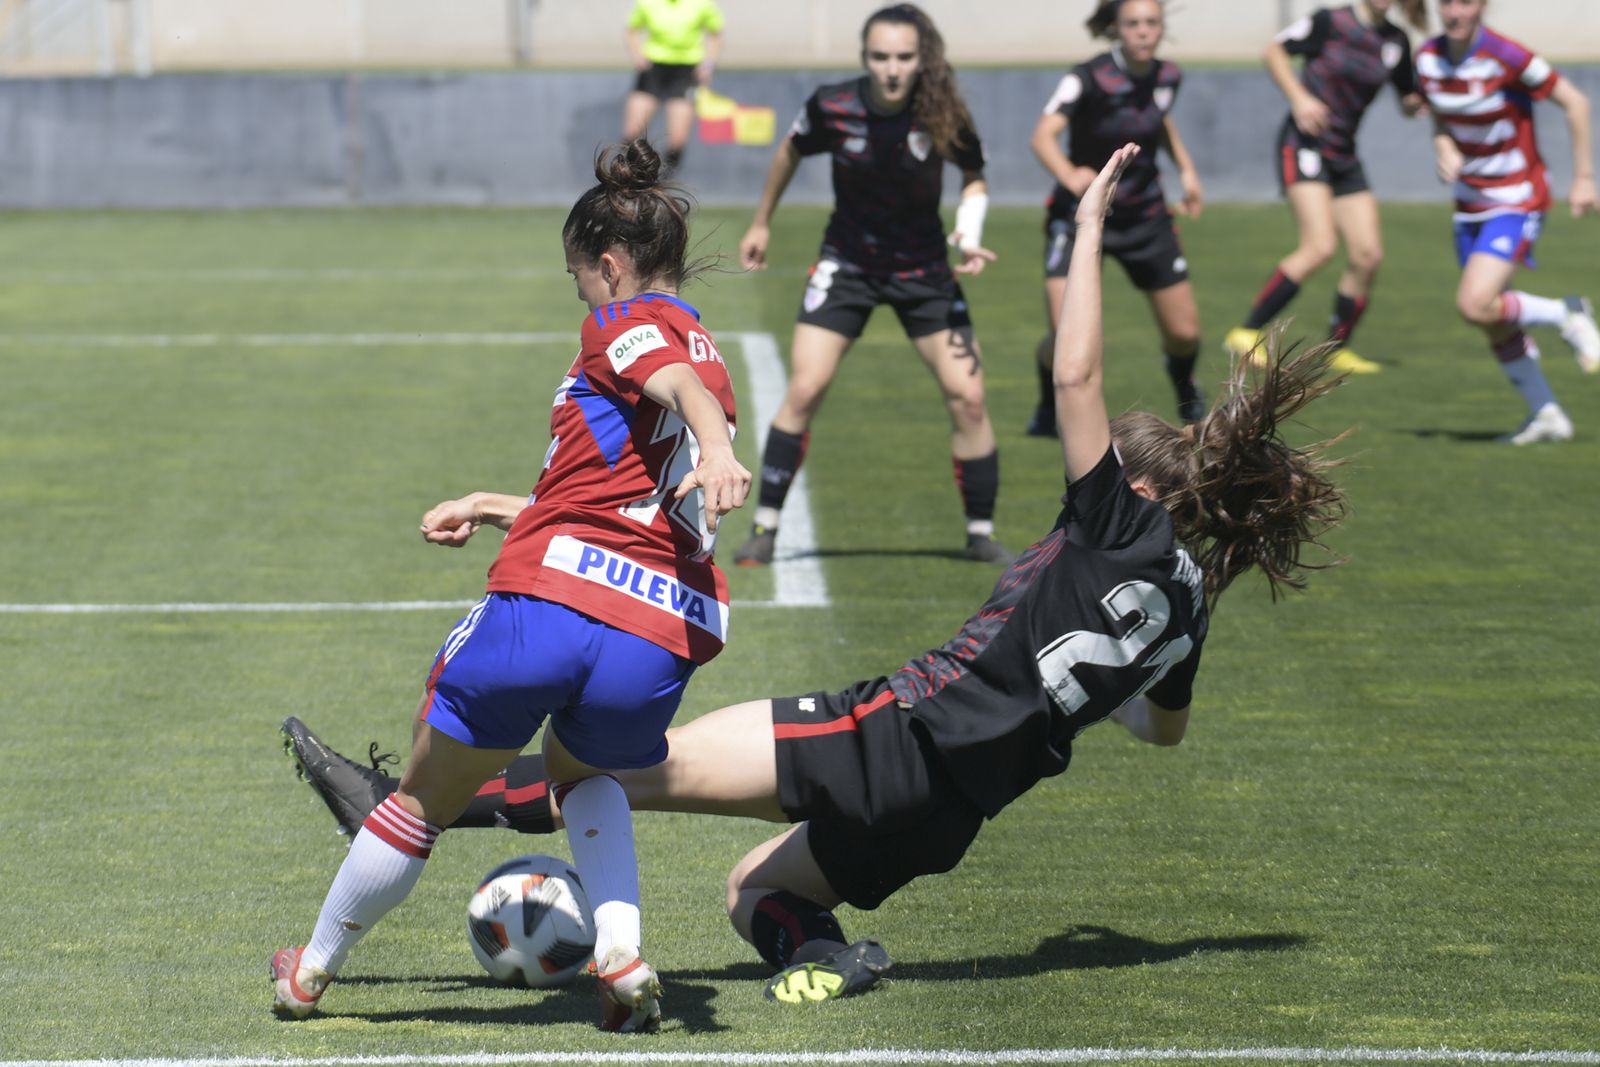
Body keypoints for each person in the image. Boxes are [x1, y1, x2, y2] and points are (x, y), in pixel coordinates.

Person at [284, 145, 1352, 1007]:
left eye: (1114, 466)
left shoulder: (1117, 520)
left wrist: (1080, 222)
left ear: (1144, 495)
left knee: (613, 773)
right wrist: (1078, 684)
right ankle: (823, 952)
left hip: (887, 731)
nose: (1098, 468)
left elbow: (1074, 372)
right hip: (955, 813)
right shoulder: (1188, 608)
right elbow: (1156, 731)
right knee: (756, 893)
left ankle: (402, 807)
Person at [269, 140, 751, 1034]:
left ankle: (312, 969)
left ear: (608, 267)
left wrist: (719, 447)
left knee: (421, 796)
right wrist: (496, 503)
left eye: (580, 279)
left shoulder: (627, 322)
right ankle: (619, 951)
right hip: (658, 629)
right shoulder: (711, 349)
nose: (582, 295)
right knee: (583, 777)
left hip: (553, 603)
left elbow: (673, 384)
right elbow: (627, 479)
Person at [730, 3, 1013, 568]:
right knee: (805, 389)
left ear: (922, 58)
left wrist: (968, 231)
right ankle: (765, 527)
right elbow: (789, 151)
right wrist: (762, 220)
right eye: (879, 56)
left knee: (970, 396)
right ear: (864, 57)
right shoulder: (832, 105)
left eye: (904, 57)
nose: (891, 68)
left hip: (925, 270)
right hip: (848, 266)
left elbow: (974, 176)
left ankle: (980, 533)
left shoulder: (943, 111)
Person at [1417, 0, 1598, 444]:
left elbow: (1574, 102)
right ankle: (1547, 414)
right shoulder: (1427, 58)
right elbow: (1440, 114)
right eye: (1446, 3)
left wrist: (1584, 178)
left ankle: (1566, 313)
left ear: (1482, 5)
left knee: (1474, 303)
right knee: (1492, 318)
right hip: (1469, 204)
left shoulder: (1508, 55)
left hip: (1517, 197)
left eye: (1465, 2)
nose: (1454, 12)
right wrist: (1443, 145)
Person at [1024, 0, 1207, 439]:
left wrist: (1186, 169)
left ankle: (1185, 386)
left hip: (1146, 215)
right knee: (1065, 334)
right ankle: (1050, 405)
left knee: (1185, 332)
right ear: (1115, 28)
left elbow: (1158, 120)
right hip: (1082, 218)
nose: (1143, 31)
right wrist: (1071, 176)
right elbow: (1042, 134)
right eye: (1133, 24)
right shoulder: (1086, 77)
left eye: (1151, 23)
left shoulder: (1168, 76)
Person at [1222, 0, 1428, 376]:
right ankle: (1245, 332)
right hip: (1305, 145)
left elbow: (1407, 101)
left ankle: (1335, 348)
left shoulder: (1396, 41)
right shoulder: (1329, 21)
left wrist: (1429, 99)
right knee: (1319, 246)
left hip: (1344, 155)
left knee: (1367, 255)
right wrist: (1299, 98)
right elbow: (1273, 51)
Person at [623, 0, 725, 174]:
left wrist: (708, 63)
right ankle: (628, 181)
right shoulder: (646, 3)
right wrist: (638, 56)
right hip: (653, 70)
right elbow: (632, 30)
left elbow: (716, 33)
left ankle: (662, 186)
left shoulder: (703, 4)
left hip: (685, 72)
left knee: (677, 141)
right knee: (632, 132)